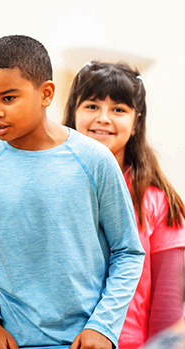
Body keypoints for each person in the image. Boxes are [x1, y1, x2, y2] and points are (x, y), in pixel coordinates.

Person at [0, 35, 145, 349]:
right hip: (15, 342)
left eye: (8, 98)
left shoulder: (94, 159)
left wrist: (103, 327)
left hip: (86, 340)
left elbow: (128, 252)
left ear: (46, 93)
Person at [62, 61, 185, 348]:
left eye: (118, 109)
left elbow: (166, 302)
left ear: (136, 122)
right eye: (92, 106)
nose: (103, 118)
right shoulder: (48, 187)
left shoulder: (158, 201)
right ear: (73, 114)